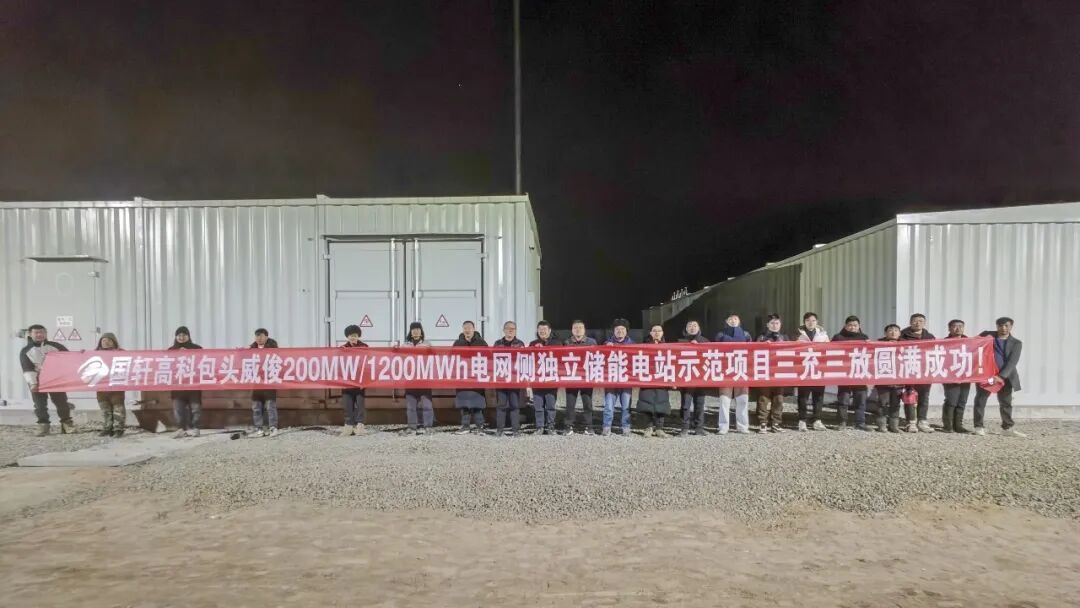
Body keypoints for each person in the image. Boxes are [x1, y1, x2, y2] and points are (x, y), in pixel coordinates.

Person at [20, 324, 76, 436]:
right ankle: (43, 426)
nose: (39, 335)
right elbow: (27, 368)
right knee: (40, 405)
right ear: (30, 334)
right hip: (37, 380)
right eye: (36, 332)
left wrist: (81, 355)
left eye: (42, 332)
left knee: (61, 402)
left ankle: (66, 425)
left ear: (45, 333)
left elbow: (70, 358)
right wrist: (33, 383)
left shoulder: (56, 346)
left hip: (55, 379)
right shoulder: (26, 351)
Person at [973, 317, 1025, 437]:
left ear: (1011, 327)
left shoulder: (1016, 343)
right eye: (1000, 325)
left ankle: (1007, 428)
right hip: (986, 375)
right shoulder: (987, 335)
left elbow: (1012, 362)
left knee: (1005, 402)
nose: (1003, 328)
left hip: (1006, 377)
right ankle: (978, 426)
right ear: (997, 326)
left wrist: (1001, 376)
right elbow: (972, 343)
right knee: (980, 400)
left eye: (1006, 326)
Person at [714, 313, 753, 434]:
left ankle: (743, 426)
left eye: (735, 318)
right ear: (726, 321)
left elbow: (752, 350)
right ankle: (723, 426)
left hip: (742, 369)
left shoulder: (746, 335)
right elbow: (713, 350)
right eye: (730, 319)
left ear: (739, 321)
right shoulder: (720, 335)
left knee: (743, 399)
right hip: (725, 370)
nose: (733, 320)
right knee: (724, 400)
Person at [831, 316, 870, 431]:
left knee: (860, 399)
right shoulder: (838, 337)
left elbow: (870, 353)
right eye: (850, 325)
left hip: (859, 373)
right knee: (843, 399)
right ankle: (842, 422)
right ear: (845, 326)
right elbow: (830, 351)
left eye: (855, 325)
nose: (852, 327)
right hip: (844, 373)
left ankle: (860, 422)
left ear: (859, 326)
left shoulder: (864, 338)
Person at [900, 313, 937, 433]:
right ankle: (910, 422)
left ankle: (922, 421)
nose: (918, 323)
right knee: (909, 396)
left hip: (925, 371)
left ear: (924, 323)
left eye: (921, 321)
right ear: (910, 322)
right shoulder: (902, 335)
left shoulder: (930, 336)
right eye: (915, 321)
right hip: (909, 370)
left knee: (924, 397)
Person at [795, 312, 830, 431]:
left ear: (817, 322)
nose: (811, 323)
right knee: (803, 397)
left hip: (818, 369)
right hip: (804, 369)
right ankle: (802, 420)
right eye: (808, 320)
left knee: (818, 396)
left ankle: (817, 420)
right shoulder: (798, 334)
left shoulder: (823, 334)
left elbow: (828, 349)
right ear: (804, 322)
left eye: (813, 320)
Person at [562, 320, 597, 435]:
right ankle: (568, 426)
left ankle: (589, 426)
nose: (578, 330)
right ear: (572, 330)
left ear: (584, 329)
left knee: (587, 403)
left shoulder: (591, 342)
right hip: (571, 377)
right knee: (570, 403)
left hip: (586, 377)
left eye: (580, 327)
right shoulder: (566, 342)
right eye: (575, 328)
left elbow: (597, 357)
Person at [168, 326, 203, 438]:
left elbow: (203, 362)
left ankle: (195, 428)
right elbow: (167, 366)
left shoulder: (197, 348)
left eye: (184, 335)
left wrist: (189, 353)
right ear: (176, 337)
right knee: (178, 409)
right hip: (177, 385)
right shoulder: (171, 350)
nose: (181, 337)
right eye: (179, 335)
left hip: (193, 384)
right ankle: (180, 429)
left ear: (188, 336)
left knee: (195, 408)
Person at [454, 321, 488, 434]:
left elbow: (488, 357)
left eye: (469, 328)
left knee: (477, 402)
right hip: (462, 378)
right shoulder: (457, 343)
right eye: (465, 328)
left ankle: (480, 426)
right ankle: (465, 426)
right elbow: (451, 358)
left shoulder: (481, 343)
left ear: (474, 329)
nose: (467, 330)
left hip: (476, 378)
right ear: (462, 330)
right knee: (463, 403)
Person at [602, 318, 634, 436]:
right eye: (617, 329)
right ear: (613, 331)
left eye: (622, 329)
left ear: (626, 331)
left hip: (626, 380)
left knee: (626, 406)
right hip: (611, 380)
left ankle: (626, 427)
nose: (620, 331)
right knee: (609, 406)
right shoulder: (606, 344)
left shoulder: (633, 345)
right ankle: (606, 426)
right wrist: (605, 347)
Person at [492, 321, 525, 436]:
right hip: (501, 379)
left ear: (515, 331)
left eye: (512, 328)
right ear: (503, 330)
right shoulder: (497, 344)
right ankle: (500, 429)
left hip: (514, 379)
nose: (510, 330)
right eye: (508, 328)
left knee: (514, 405)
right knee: (501, 405)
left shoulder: (520, 344)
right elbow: (492, 360)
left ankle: (515, 429)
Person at [637, 324, 671, 437]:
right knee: (647, 403)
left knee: (662, 403)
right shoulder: (643, 346)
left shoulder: (669, 347)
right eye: (654, 331)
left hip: (662, 379)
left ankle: (660, 428)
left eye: (659, 331)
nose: (656, 333)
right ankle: (648, 427)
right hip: (647, 379)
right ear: (650, 333)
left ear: (662, 333)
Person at [756, 314, 788, 433]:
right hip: (765, 372)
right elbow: (754, 352)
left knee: (779, 399)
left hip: (780, 372)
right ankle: (763, 423)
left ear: (781, 325)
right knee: (763, 398)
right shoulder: (761, 337)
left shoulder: (784, 337)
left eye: (777, 323)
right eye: (772, 323)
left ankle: (776, 423)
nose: (775, 325)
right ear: (767, 325)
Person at [401, 322, 434, 435]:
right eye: (413, 329)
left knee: (427, 405)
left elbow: (433, 359)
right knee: (411, 406)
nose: (415, 331)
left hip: (424, 379)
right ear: (410, 332)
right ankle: (412, 427)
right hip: (410, 380)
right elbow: (400, 359)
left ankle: (428, 426)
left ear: (421, 331)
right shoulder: (404, 345)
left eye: (418, 329)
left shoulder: (427, 344)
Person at [679, 320, 710, 436]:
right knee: (685, 404)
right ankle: (685, 427)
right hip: (685, 377)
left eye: (695, 325)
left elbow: (710, 356)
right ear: (686, 329)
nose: (692, 327)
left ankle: (699, 427)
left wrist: (699, 347)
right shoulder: (680, 342)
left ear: (699, 328)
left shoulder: (705, 341)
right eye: (690, 326)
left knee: (700, 404)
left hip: (700, 377)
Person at [941, 319, 971, 433]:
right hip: (950, 376)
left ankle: (958, 425)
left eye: (960, 326)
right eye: (954, 326)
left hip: (965, 376)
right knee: (951, 401)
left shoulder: (970, 342)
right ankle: (948, 425)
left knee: (962, 401)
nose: (958, 328)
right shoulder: (944, 342)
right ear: (949, 328)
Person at [249, 329, 280, 438]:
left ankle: (273, 427)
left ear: (266, 337)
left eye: (261, 336)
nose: (258, 338)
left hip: (269, 382)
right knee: (256, 407)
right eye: (257, 336)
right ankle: (259, 428)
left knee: (270, 406)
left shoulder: (273, 347)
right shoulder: (252, 348)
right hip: (256, 382)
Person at [528, 320, 558, 435]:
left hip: (551, 379)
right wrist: (534, 349)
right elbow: (528, 359)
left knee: (551, 406)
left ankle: (550, 426)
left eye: (545, 329)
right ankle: (539, 427)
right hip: (537, 380)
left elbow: (560, 356)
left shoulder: (557, 343)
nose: (543, 331)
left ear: (549, 331)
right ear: (537, 331)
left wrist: (546, 348)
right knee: (538, 406)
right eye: (540, 329)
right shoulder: (532, 343)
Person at [95, 332, 126, 437]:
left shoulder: (121, 352)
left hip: (116, 385)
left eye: (109, 340)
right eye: (104, 340)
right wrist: (82, 354)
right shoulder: (95, 353)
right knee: (105, 409)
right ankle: (107, 428)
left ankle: (118, 428)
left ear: (114, 342)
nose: (106, 342)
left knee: (118, 408)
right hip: (101, 386)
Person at [340, 325, 369, 437]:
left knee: (360, 404)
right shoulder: (342, 349)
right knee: (347, 405)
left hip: (360, 381)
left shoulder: (365, 347)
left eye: (355, 335)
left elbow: (367, 365)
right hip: (346, 382)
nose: (353, 337)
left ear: (358, 336)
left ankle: (360, 426)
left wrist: (365, 381)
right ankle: (348, 426)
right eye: (351, 335)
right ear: (347, 336)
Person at [876, 324, 904, 433]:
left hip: (899, 380)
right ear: (885, 333)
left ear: (899, 333)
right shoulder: (878, 344)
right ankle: (881, 425)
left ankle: (894, 426)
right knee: (883, 403)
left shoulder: (906, 344)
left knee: (895, 404)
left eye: (896, 330)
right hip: (883, 379)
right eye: (890, 330)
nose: (893, 332)